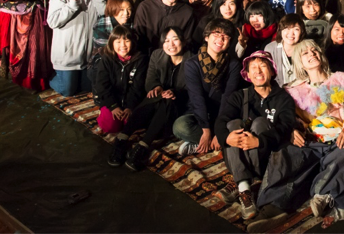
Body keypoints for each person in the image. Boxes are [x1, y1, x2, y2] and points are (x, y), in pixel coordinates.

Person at [250, 41, 344, 231]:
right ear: (300, 63)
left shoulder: (342, 80)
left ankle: (326, 194)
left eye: (314, 49)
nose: (311, 54)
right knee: (282, 148)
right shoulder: (293, 90)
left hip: (339, 143)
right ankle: (273, 205)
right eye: (305, 53)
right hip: (309, 144)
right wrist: (291, 131)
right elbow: (287, 118)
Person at [213, 51, 297, 220]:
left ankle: (239, 179)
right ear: (248, 75)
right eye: (254, 68)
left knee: (259, 122)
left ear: (272, 71)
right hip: (241, 153)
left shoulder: (283, 98)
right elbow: (221, 120)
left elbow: (286, 126)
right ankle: (244, 188)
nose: (258, 71)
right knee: (232, 125)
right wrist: (226, 137)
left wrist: (260, 141)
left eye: (263, 67)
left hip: (267, 158)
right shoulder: (240, 96)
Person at [109, 27, 196, 170]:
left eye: (175, 39)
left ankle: (143, 146)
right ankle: (122, 138)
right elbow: (150, 80)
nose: (171, 44)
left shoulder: (192, 60)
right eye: (166, 40)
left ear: (183, 41)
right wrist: (157, 87)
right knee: (154, 95)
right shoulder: (157, 55)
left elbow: (192, 90)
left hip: (177, 107)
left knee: (168, 100)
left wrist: (174, 93)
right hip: (155, 105)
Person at [173, 18, 242, 156]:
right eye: (216, 34)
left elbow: (228, 96)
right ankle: (219, 142)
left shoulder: (233, 64)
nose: (220, 39)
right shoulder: (192, 63)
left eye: (225, 36)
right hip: (199, 112)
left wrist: (219, 130)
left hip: (223, 113)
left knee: (239, 127)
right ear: (206, 37)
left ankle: (202, 144)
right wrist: (206, 129)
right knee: (180, 126)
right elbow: (196, 97)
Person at [47, 0, 108, 96]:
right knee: (68, 90)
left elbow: (104, 18)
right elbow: (53, 21)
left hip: (88, 57)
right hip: (67, 56)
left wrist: (100, 0)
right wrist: (71, 6)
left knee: (88, 88)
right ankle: (50, 78)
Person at [92, 25, 149, 134]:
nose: (122, 45)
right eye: (118, 41)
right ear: (112, 43)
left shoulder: (140, 59)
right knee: (110, 127)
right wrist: (113, 106)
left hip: (133, 101)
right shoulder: (106, 59)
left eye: (126, 41)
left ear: (132, 42)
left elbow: (138, 86)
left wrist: (130, 107)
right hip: (112, 101)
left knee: (132, 125)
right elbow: (102, 85)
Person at [133, 0, 197, 52]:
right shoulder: (145, 7)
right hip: (146, 56)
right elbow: (138, 38)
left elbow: (187, 42)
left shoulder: (187, 12)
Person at [264, 14, 307, 87]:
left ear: (301, 32)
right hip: (278, 92)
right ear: (280, 30)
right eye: (287, 28)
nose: (291, 33)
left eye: (296, 29)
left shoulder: (307, 48)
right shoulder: (270, 48)